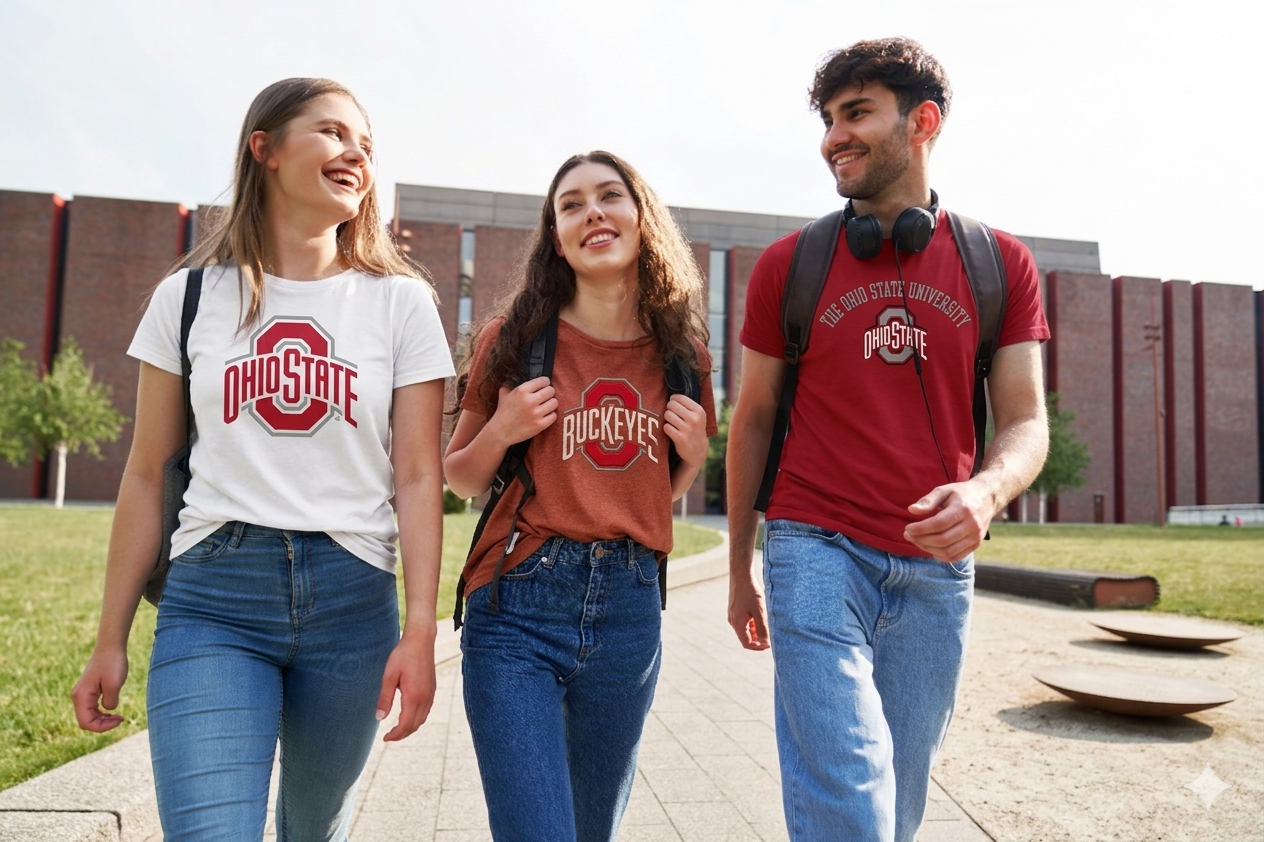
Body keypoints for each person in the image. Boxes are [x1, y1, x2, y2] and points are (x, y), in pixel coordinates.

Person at [70, 78, 454, 840]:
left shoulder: (401, 303)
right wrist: (109, 639)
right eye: (335, 133)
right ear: (266, 150)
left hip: (354, 601)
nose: (356, 155)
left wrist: (419, 629)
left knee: (313, 830)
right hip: (215, 598)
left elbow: (417, 477)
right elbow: (147, 473)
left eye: (367, 146)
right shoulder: (185, 298)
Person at [725, 39, 1050, 842]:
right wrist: (738, 568)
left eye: (857, 112)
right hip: (813, 548)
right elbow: (755, 418)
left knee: (898, 806)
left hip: (938, 570)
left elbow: (1026, 421)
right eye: (829, 118)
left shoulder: (998, 264)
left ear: (923, 121)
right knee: (852, 790)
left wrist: (985, 492)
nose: (834, 135)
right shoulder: (787, 265)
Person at [444, 151, 717, 842]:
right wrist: (504, 427)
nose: (592, 211)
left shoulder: (682, 351)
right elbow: (462, 477)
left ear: (640, 217)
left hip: (629, 610)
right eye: (571, 204)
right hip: (517, 604)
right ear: (557, 236)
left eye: (609, 196)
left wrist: (694, 456)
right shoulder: (515, 341)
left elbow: (659, 491)